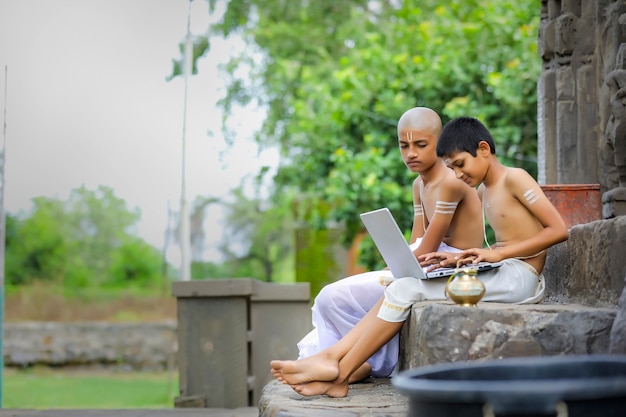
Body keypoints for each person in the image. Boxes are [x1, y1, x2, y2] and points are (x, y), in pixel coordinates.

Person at [270, 116, 568, 398]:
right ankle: (335, 366)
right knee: (401, 287)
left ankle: (337, 368)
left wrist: (498, 254)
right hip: (504, 270)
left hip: (522, 278)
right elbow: (507, 240)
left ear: (484, 149)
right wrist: (460, 259)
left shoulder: (515, 178)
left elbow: (558, 230)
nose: (459, 174)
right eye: (452, 168)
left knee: (405, 288)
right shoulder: (484, 191)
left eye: (461, 165)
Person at [272, 107, 484, 393]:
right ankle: (350, 363)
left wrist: (402, 265)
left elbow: (431, 247)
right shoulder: (419, 183)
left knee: (331, 296)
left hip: (446, 266)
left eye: (421, 145)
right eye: (404, 145)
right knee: (331, 297)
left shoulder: (449, 181)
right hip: (421, 262)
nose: (411, 153)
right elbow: (419, 237)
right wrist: (396, 261)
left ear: (440, 143)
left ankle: (352, 363)